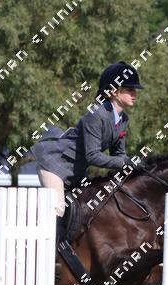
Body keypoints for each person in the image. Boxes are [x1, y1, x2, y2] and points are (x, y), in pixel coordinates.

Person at [30, 61, 144, 247]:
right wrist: (125, 163)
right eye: (129, 89)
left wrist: (135, 166)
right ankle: (50, 253)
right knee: (58, 208)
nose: (135, 94)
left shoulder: (123, 119)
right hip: (55, 166)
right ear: (114, 92)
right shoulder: (95, 114)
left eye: (135, 90)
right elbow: (93, 156)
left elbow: (119, 154)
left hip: (76, 173)